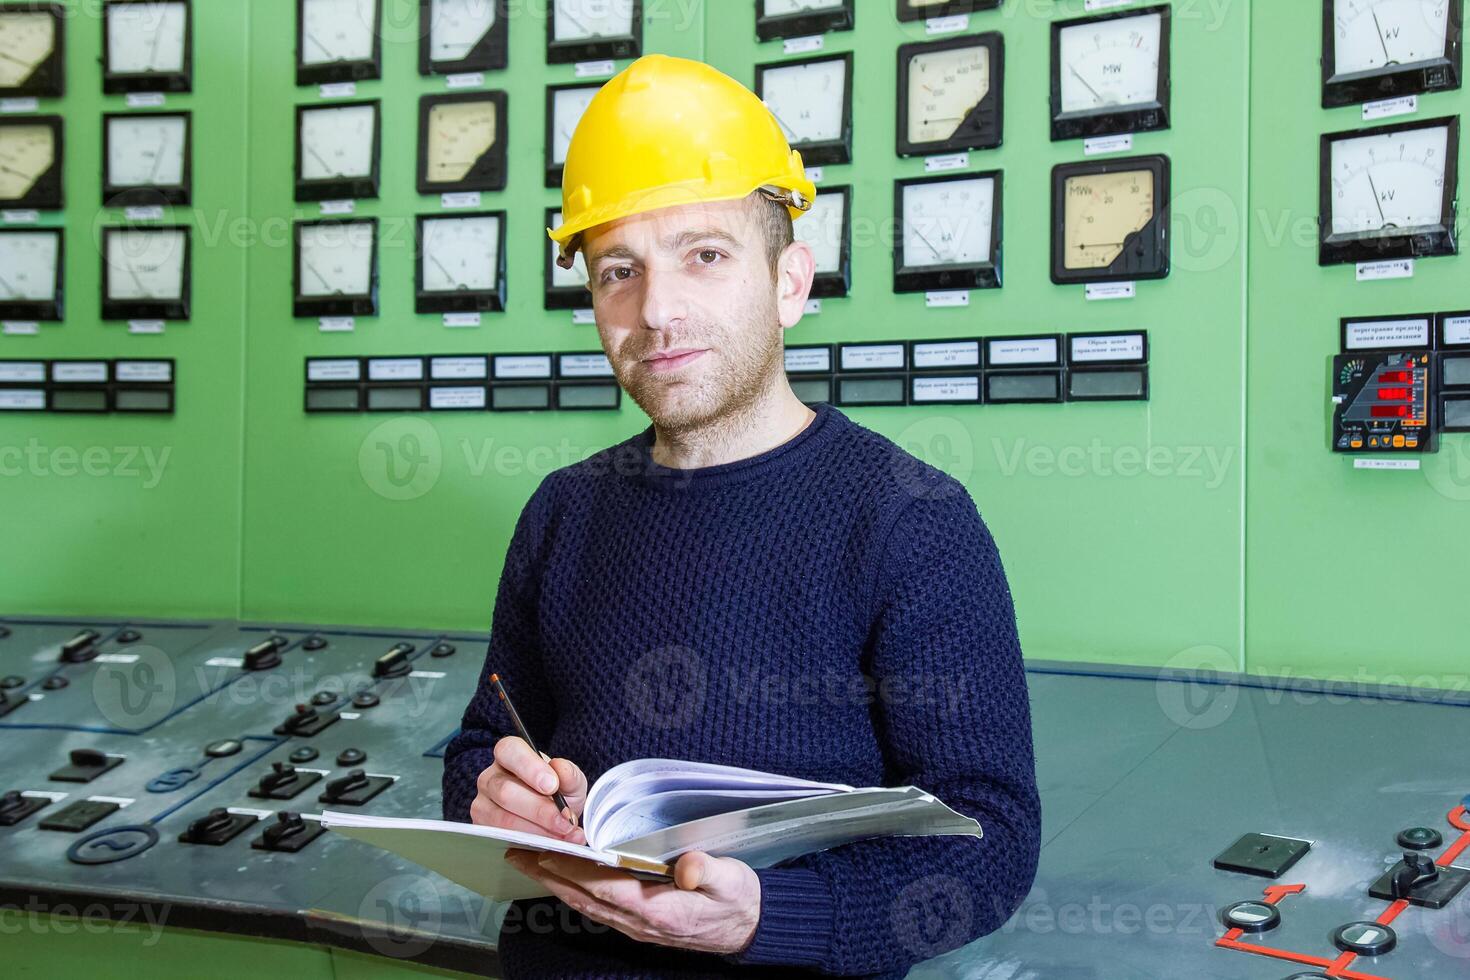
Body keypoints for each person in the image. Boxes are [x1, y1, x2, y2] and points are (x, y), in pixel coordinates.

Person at [441, 53, 1039, 979]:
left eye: (705, 256)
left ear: (790, 281)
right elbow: (484, 748)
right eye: (618, 272)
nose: (657, 311)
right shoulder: (562, 511)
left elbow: (992, 845)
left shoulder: (912, 522)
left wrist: (767, 916)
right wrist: (495, 796)